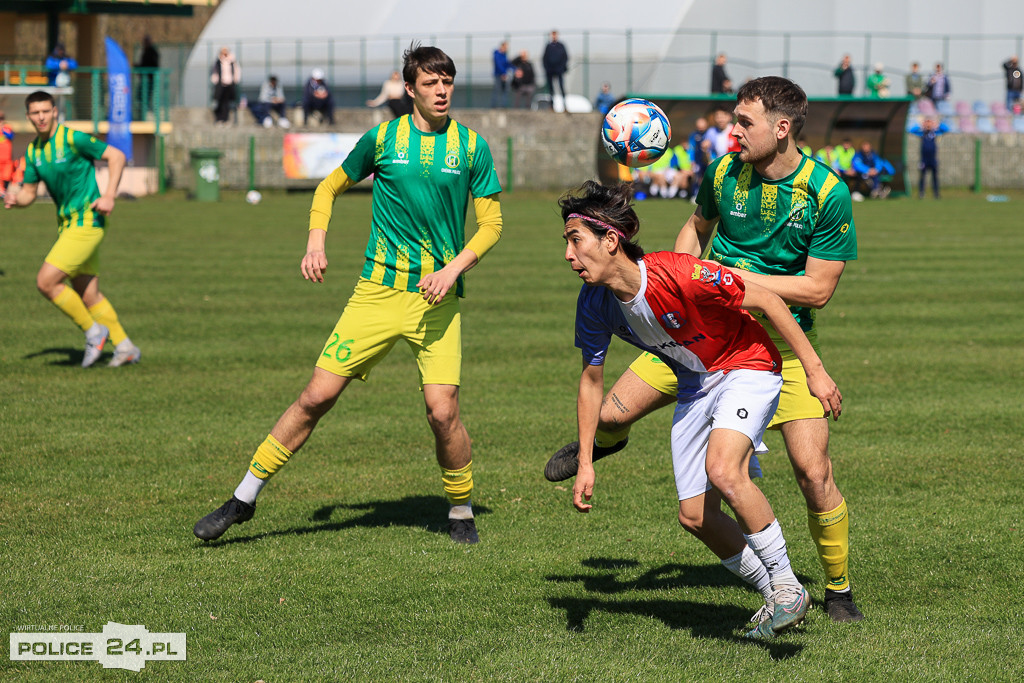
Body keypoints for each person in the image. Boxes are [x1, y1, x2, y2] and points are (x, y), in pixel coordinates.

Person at [544, 76, 863, 623]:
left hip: (774, 344)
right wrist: (674, 277)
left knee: (813, 472)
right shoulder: (722, 173)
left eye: (745, 122)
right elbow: (695, 228)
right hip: (692, 330)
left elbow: (818, 290)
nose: (732, 131)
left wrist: (727, 277)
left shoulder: (826, 193)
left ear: (781, 129)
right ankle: (603, 446)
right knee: (610, 413)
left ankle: (837, 589)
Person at [193, 44, 504, 546]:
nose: (442, 90)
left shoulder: (472, 147)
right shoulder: (383, 138)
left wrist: (452, 270)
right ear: (409, 89)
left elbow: (492, 224)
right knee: (316, 396)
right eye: (430, 82)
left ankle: (462, 508)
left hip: (437, 299)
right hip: (376, 292)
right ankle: (243, 498)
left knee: (442, 413)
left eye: (447, 81)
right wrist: (316, 242)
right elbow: (327, 188)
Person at [561, 180, 841, 639]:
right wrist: (587, 462)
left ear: (611, 241)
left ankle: (789, 587)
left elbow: (768, 299)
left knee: (725, 471)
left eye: (576, 241)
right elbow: (591, 382)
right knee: (695, 517)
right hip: (697, 383)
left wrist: (814, 371)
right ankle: (774, 594)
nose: (569, 256)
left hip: (748, 364)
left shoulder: (679, 273)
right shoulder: (594, 304)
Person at [3, 91, 140, 368]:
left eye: (45, 111)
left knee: (46, 282)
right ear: (28, 116)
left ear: (55, 111)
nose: (41, 117)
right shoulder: (33, 152)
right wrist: (16, 199)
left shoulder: (72, 138)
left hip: (88, 221)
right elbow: (30, 193)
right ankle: (125, 347)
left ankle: (94, 332)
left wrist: (110, 195)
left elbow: (116, 156)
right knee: (87, 293)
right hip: (67, 225)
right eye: (35, 113)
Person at [908, 117, 949, 199]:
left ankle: (936, 193)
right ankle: (921, 193)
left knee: (935, 177)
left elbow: (946, 129)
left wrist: (937, 124)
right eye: (927, 122)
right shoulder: (922, 133)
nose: (928, 124)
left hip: (933, 159)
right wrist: (920, 125)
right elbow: (911, 130)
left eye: (929, 122)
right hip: (924, 159)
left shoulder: (935, 132)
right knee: (923, 177)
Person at [210, 46, 240, 124]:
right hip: (220, 85)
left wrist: (235, 80)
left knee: (227, 102)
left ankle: (226, 119)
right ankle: (219, 118)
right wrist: (216, 81)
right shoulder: (218, 62)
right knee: (219, 101)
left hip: (230, 85)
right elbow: (214, 72)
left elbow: (237, 71)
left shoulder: (232, 61)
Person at [135, 35, 160, 115]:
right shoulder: (146, 51)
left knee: (146, 95)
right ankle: (142, 111)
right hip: (144, 78)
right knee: (140, 95)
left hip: (149, 78)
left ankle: (146, 111)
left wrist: (141, 67)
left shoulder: (152, 52)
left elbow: (152, 64)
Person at [542, 30, 569, 105]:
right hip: (550, 71)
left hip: (559, 70)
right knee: (551, 89)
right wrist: (547, 68)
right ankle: (551, 105)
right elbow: (544, 58)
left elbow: (565, 57)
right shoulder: (548, 46)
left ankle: (564, 104)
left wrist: (562, 68)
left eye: (555, 35)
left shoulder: (561, 46)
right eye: (552, 35)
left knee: (561, 87)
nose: (554, 36)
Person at [491, 41, 511, 108]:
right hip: (498, 75)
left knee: (505, 91)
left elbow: (506, 64)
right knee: (497, 90)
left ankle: (504, 106)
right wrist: (503, 73)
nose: (506, 49)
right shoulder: (497, 54)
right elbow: (498, 65)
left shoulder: (504, 55)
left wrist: (514, 68)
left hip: (504, 75)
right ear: (502, 46)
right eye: (505, 47)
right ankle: (494, 106)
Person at [0, 110, 14, 197]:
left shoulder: (7, 127)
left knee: (7, 176)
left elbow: (11, 136)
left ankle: (3, 191)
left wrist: (2, 129)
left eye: (1, 118)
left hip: (7, 158)